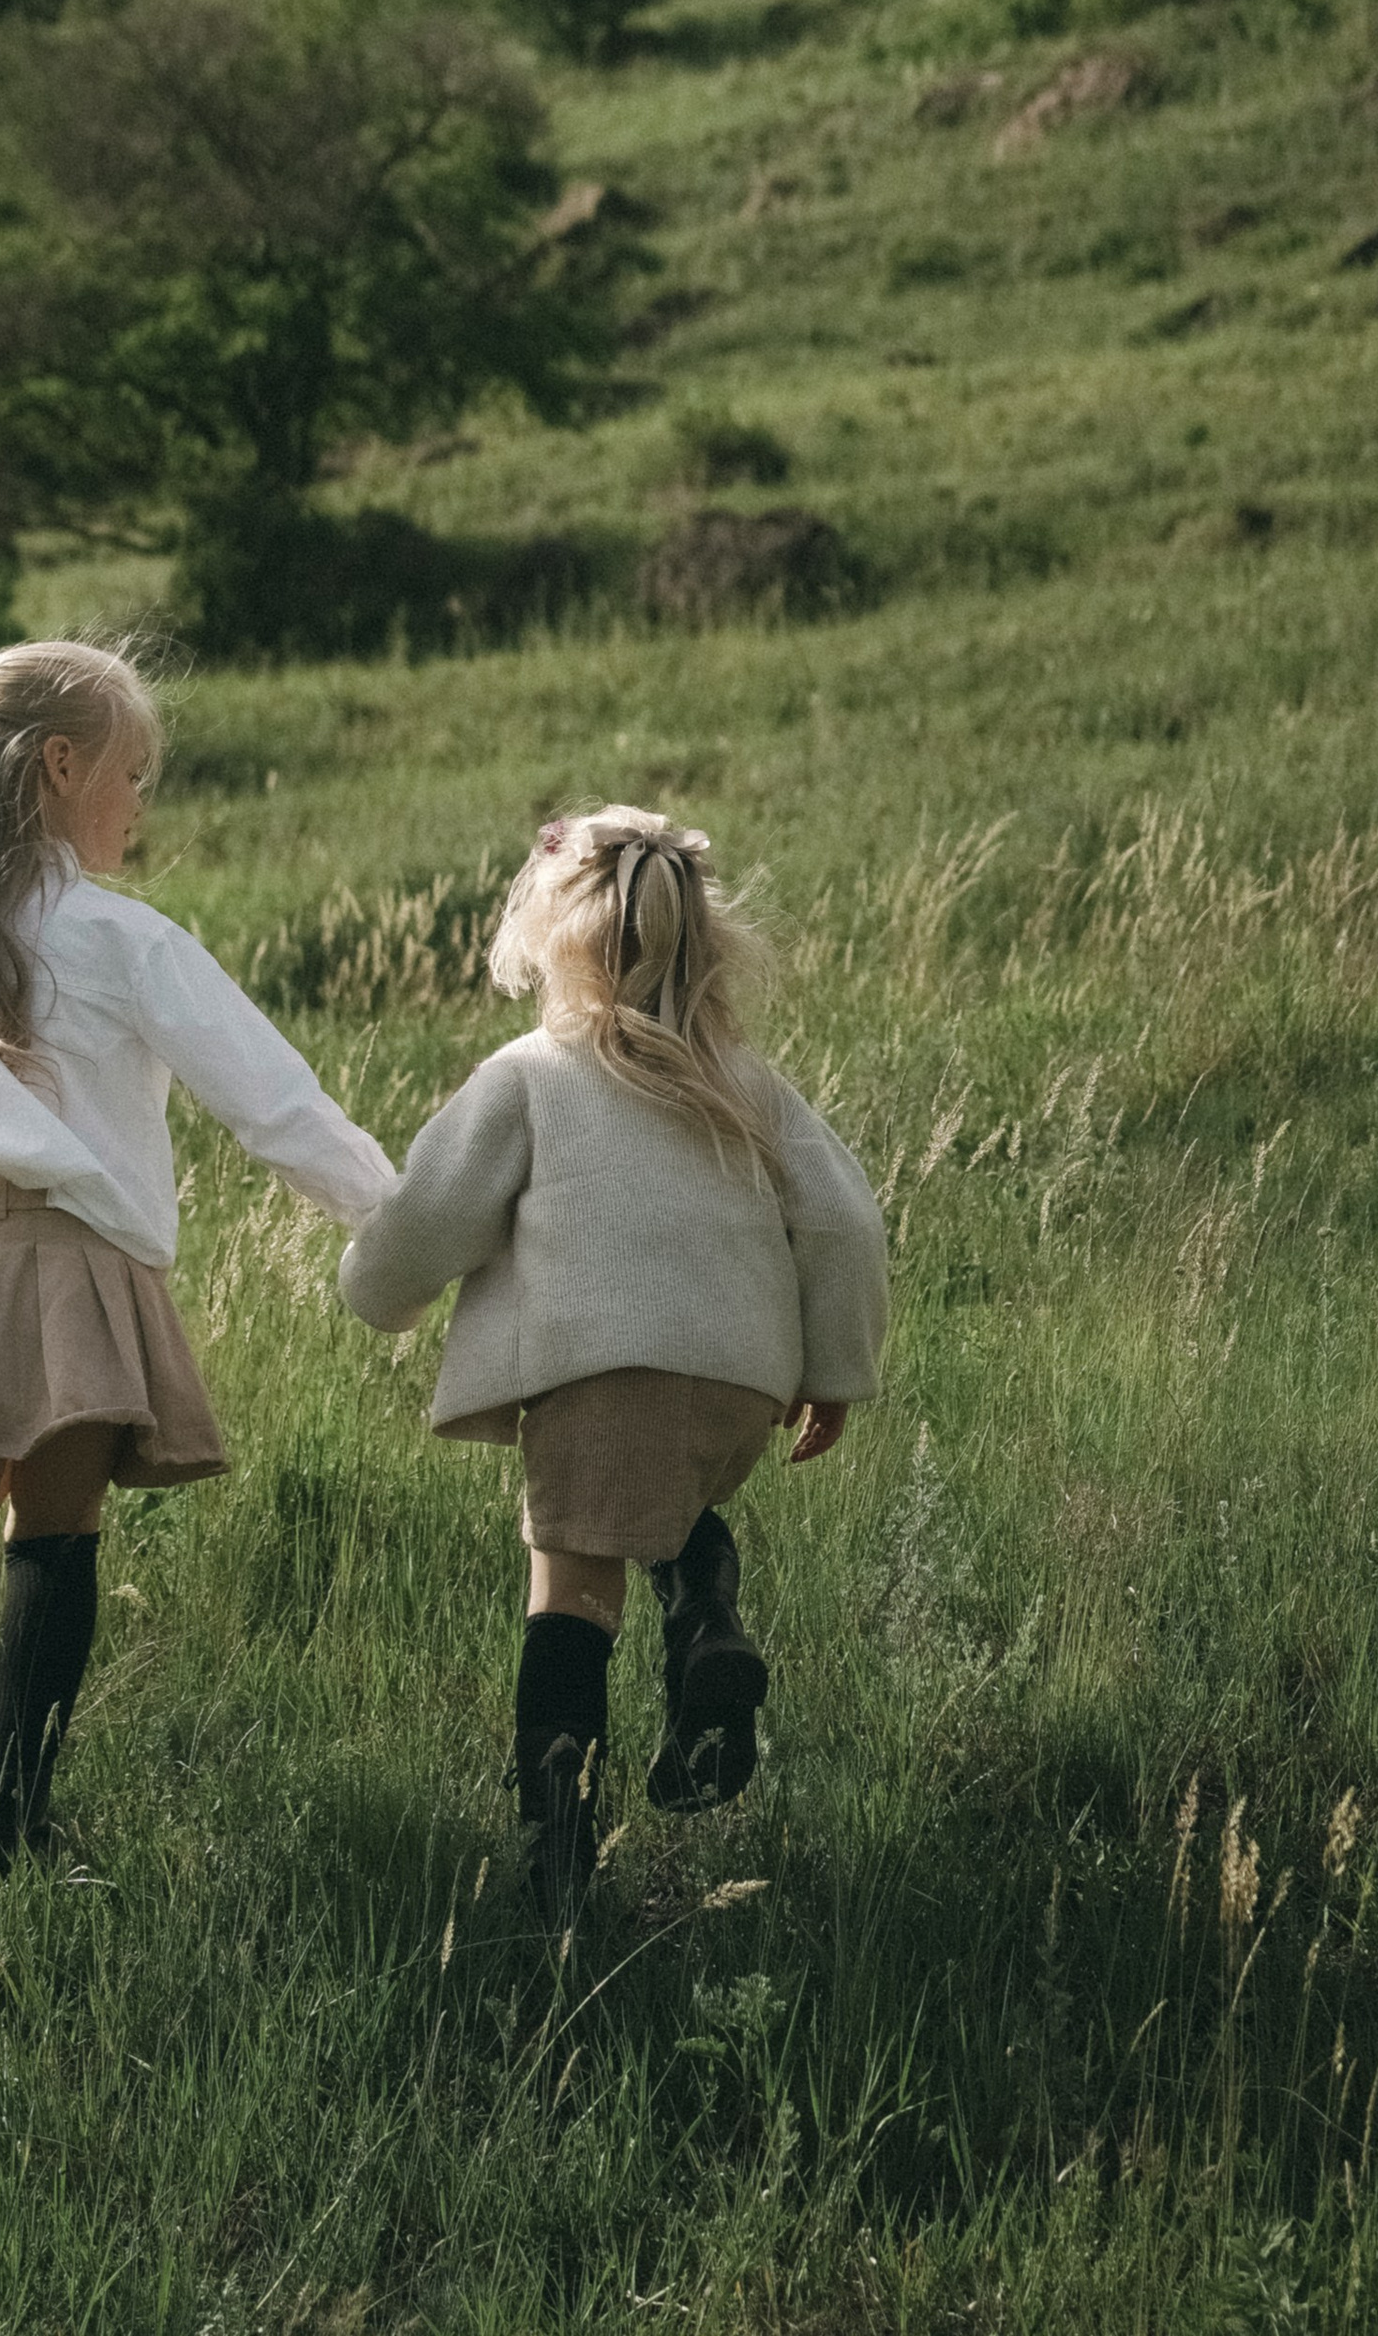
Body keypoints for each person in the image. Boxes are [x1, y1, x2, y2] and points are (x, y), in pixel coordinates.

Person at [0, 639, 396, 1980]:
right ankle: (13, 1811)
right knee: (56, 1539)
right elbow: (283, 1111)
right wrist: (415, 1229)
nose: (143, 804)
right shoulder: (124, 938)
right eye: (133, 774)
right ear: (62, 768)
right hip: (73, 1276)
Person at [338, 805, 889, 1928]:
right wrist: (832, 1365)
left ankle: (557, 1871)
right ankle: (703, 1621)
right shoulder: (746, 1080)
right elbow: (843, 1222)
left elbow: (427, 1213)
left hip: (599, 1367)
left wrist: (373, 1292)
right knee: (662, 1499)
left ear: (554, 941)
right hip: (742, 1381)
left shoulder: (533, 1072)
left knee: (570, 1593)